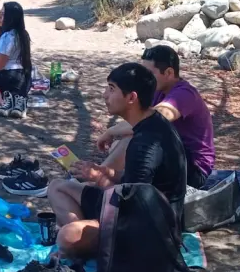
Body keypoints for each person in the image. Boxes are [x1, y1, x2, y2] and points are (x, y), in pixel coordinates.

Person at [45, 63, 187, 261]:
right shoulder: (150, 124)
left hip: (149, 229)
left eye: (111, 89)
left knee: (67, 236)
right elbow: (133, 181)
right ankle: (91, 237)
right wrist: (104, 172)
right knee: (57, 187)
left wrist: (99, 178)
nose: (105, 95)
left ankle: (93, 243)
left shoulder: (146, 144)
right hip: (132, 210)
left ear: (131, 98)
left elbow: (136, 205)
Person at [92, 45, 215, 188]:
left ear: (169, 72)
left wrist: (110, 131)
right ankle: (109, 182)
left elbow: (149, 122)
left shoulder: (185, 94)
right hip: (171, 157)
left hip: (194, 169)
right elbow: (138, 119)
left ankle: (95, 181)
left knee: (130, 141)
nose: (145, 78)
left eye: (150, 73)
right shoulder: (158, 90)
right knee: (119, 146)